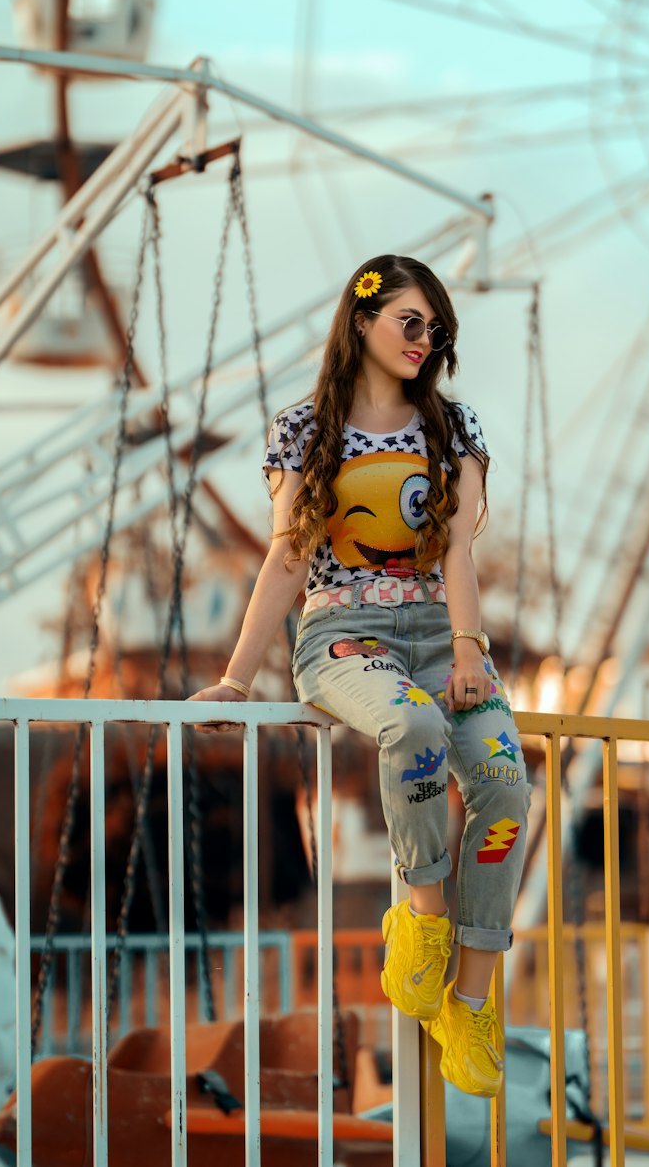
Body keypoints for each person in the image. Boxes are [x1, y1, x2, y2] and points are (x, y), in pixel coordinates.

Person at [189, 254, 531, 1098]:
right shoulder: (304, 429)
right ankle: (423, 921)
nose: (425, 339)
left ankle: (474, 1000)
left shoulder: (456, 429)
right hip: (345, 634)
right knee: (411, 728)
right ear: (362, 322)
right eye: (410, 322)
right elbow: (286, 558)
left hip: (440, 636)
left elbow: (456, 552)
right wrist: (236, 679)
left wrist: (465, 648)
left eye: (436, 328)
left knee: (504, 780)